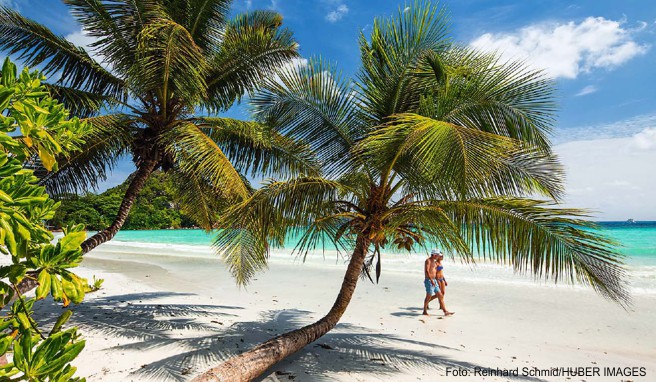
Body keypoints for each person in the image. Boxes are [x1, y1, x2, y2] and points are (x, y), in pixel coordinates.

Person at [422, 249, 454, 316]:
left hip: (434, 281)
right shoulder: (428, 261)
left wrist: (442, 280)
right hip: (429, 281)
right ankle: (424, 311)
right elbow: (427, 271)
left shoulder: (434, 261)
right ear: (434, 255)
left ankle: (445, 311)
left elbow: (437, 271)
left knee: (440, 295)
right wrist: (431, 280)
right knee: (428, 296)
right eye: (437, 255)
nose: (438, 256)